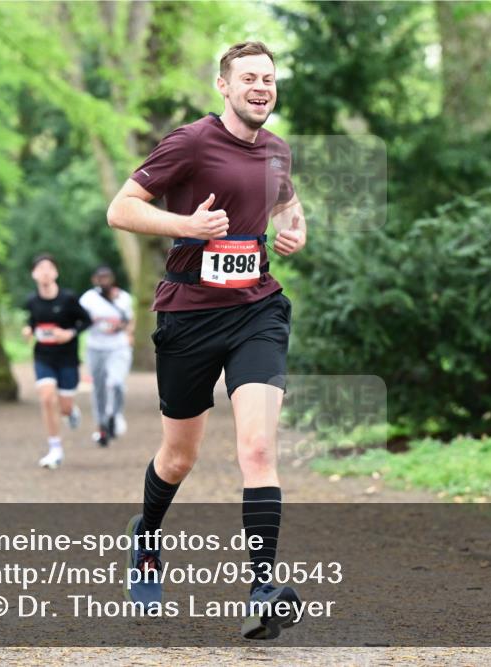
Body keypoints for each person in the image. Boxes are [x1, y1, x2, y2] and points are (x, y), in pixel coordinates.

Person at [106, 41, 307, 639]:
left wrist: (293, 233)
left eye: (268, 79)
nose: (261, 87)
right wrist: (186, 226)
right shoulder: (190, 142)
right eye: (248, 78)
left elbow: (290, 209)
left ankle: (263, 588)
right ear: (223, 86)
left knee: (258, 449)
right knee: (180, 457)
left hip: (257, 311)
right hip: (189, 316)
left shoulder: (277, 150)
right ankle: (145, 537)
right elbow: (121, 209)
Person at [22, 254, 92, 469]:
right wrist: (29, 330)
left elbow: (86, 321)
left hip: (67, 359)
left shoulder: (68, 298)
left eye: (49, 268)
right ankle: (55, 449)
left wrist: (69, 333)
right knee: (45, 398)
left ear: (56, 273)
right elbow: (33, 322)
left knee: (63, 407)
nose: (44, 272)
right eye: (40, 268)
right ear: (34, 274)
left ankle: (71, 412)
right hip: (43, 357)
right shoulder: (31, 300)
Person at [79, 266, 135, 446]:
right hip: (95, 348)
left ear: (113, 278)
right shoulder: (88, 299)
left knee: (116, 383)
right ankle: (101, 425)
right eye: (100, 277)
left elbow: (130, 321)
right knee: (99, 388)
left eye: (107, 277)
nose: (104, 281)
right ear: (94, 280)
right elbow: (79, 320)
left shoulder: (123, 298)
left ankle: (114, 415)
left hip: (118, 347)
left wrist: (125, 330)